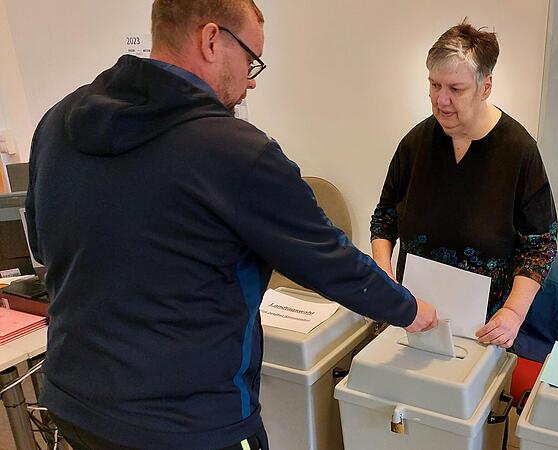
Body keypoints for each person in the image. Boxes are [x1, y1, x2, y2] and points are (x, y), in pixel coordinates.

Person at [25, 1, 437, 449]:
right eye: (250, 58)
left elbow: (43, 248)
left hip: (75, 405)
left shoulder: (56, 122)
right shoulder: (237, 153)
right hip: (189, 424)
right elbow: (329, 261)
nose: (252, 78)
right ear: (210, 40)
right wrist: (410, 309)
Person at [370, 20, 557, 351]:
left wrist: (513, 313)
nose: (442, 100)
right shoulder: (416, 143)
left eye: (456, 89)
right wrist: (384, 273)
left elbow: (540, 245)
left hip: (485, 328)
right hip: (413, 318)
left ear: (485, 87)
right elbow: (385, 217)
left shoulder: (518, 152)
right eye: (434, 85)